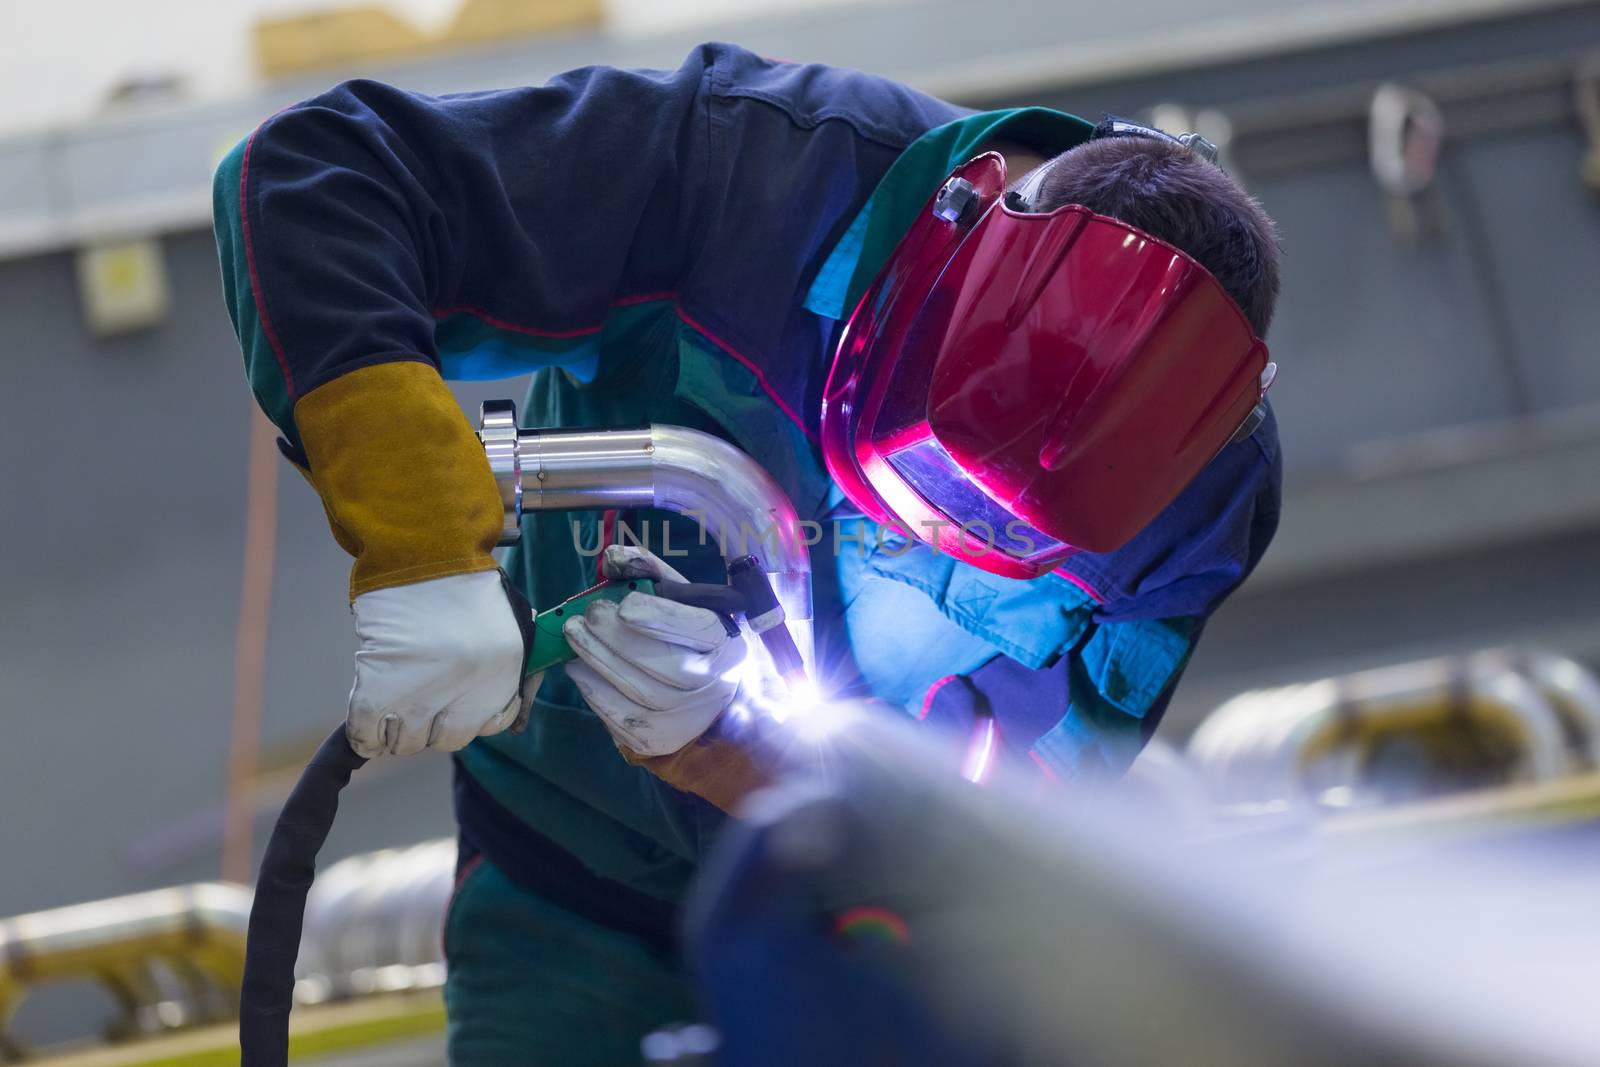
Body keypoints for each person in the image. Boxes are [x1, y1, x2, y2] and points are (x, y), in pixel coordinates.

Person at [213, 42, 1281, 1064]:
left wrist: (748, 761)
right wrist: (418, 541)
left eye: (1018, 538)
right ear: (940, 252)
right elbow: (318, 176)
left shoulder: (1202, 491)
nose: (940, 535)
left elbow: (1017, 817)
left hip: (874, 922)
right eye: (932, 477)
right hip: (572, 884)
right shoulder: (743, 176)